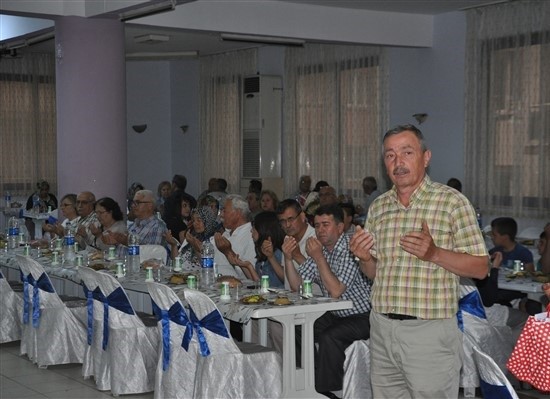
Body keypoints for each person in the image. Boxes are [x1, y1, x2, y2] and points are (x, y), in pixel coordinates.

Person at [350, 124, 488, 398]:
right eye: (390, 155)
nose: (398, 162)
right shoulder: (379, 207)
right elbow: (377, 273)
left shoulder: (451, 202)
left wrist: (434, 254)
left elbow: (481, 268)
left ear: (426, 157)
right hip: (382, 328)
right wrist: (365, 258)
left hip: (430, 332)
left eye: (407, 152)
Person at [283, 204, 372, 396]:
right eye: (317, 225)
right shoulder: (323, 250)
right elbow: (296, 285)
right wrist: (289, 258)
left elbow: (336, 291)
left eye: (326, 224)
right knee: (297, 327)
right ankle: (309, 380)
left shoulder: (350, 249)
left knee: (329, 336)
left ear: (340, 228)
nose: (320, 230)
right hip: (336, 314)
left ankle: (330, 391)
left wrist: (319, 258)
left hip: (362, 316)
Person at [231, 211, 286, 287]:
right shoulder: (262, 252)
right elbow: (259, 283)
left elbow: (285, 279)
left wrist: (271, 257)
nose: (251, 231)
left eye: (254, 228)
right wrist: (247, 266)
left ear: (263, 230)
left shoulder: (278, 253)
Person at [276, 199, 317, 290]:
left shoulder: (316, 238)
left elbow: (319, 276)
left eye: (291, 219)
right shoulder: (287, 239)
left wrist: (297, 255)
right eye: (282, 221)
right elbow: (287, 279)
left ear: (302, 216)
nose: (287, 225)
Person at [213, 194, 256, 279]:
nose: (221, 215)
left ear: (238, 213)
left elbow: (251, 277)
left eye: (224, 211)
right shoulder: (226, 233)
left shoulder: (251, 235)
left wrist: (228, 252)